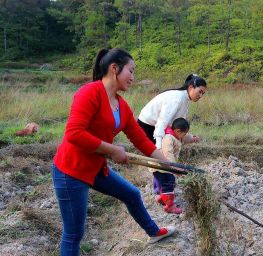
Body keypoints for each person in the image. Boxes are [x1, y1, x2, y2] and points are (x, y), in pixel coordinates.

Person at [52, 48, 175, 256]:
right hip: (71, 172)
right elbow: (74, 133)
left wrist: (168, 164)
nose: (133, 78)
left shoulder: (121, 106)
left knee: (132, 194)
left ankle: (154, 233)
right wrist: (112, 150)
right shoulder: (89, 92)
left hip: (95, 168)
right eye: (131, 71)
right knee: (73, 234)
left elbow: (141, 140)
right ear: (114, 69)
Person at [137, 73, 207, 149]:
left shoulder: (186, 99)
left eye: (202, 93)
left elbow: (178, 122)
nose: (200, 96)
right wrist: (159, 146)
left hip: (161, 127)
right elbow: (162, 121)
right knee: (168, 146)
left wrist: (187, 136)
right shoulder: (177, 98)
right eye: (199, 92)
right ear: (190, 88)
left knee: (187, 138)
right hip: (146, 127)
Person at [154, 117, 192, 214]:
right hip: (163, 166)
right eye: (184, 133)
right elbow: (168, 154)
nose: (185, 135)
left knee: (166, 183)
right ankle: (169, 206)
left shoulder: (175, 136)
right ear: (178, 131)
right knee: (169, 183)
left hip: (163, 166)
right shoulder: (168, 138)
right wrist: (175, 168)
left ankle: (162, 198)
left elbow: (184, 139)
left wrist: (193, 138)